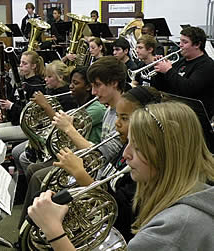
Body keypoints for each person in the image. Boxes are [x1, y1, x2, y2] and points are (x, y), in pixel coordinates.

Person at [28, 101, 214, 251]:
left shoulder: (169, 230)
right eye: (128, 142)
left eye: (137, 147)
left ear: (167, 155)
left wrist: (53, 230)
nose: (125, 154)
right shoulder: (199, 193)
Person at [17, 56, 126, 229]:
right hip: (92, 168)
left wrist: (69, 129)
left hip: (98, 177)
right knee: (37, 174)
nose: (94, 92)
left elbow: (101, 154)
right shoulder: (109, 110)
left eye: (98, 85)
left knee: (41, 179)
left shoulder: (122, 115)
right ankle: (29, 231)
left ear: (114, 83)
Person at [153, 26, 214, 119]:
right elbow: (160, 87)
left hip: (193, 117)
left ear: (197, 44)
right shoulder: (181, 61)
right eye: (180, 41)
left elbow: (189, 89)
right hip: (174, 110)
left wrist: (168, 71)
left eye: (185, 42)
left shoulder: (207, 65)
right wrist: (160, 71)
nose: (180, 45)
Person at [0, 50, 46, 141]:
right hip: (16, 122)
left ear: (33, 66)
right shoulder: (21, 82)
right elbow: (11, 100)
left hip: (28, 128)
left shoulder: (36, 86)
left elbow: (31, 114)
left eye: (25, 63)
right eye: (20, 62)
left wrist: (11, 106)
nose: (20, 65)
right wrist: (1, 110)